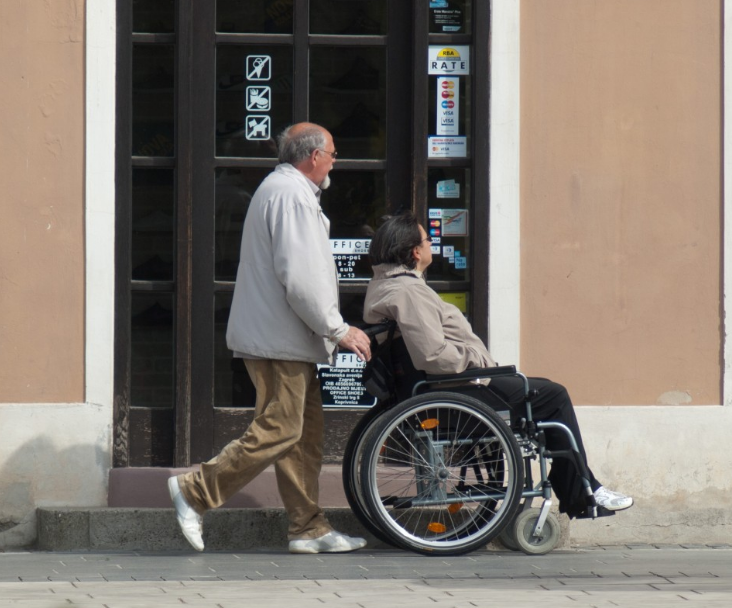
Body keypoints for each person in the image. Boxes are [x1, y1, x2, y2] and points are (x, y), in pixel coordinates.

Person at [168, 123, 373, 553]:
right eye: (333, 154)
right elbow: (301, 278)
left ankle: (308, 527)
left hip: (286, 338)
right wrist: (338, 328)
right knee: (281, 429)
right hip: (280, 339)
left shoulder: (286, 191)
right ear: (313, 156)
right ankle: (195, 490)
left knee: (303, 435)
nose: (336, 161)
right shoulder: (291, 195)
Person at [362, 212, 634, 518]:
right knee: (552, 395)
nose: (430, 245)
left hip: (446, 387)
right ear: (414, 251)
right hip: (454, 388)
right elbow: (433, 356)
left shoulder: (388, 286)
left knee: (540, 391)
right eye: (427, 239)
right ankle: (582, 488)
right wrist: (478, 361)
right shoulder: (409, 292)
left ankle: (579, 483)